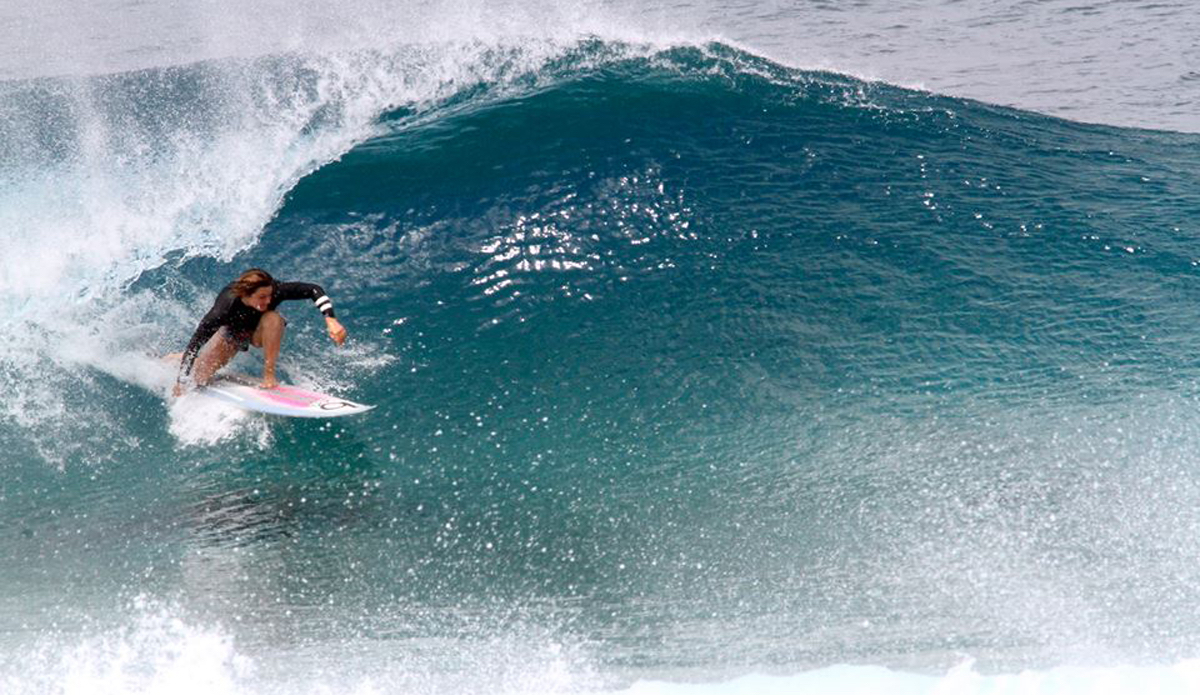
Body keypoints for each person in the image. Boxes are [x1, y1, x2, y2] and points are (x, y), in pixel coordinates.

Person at [173, 268, 347, 396]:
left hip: (260, 330)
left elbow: (313, 289)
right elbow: (195, 344)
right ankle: (176, 358)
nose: (269, 300)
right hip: (234, 334)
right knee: (199, 379)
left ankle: (269, 376)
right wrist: (181, 382)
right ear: (245, 295)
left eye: (270, 295)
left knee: (273, 318)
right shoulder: (224, 309)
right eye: (262, 297)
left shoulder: (273, 291)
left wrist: (330, 319)